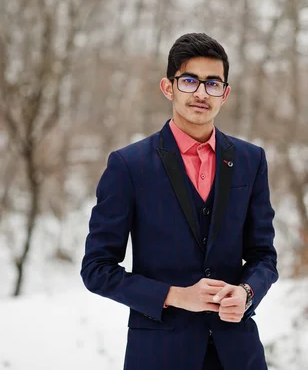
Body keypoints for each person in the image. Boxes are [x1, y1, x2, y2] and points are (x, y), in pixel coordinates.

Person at [80, 32, 278, 370]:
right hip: (159, 355)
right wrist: (176, 296)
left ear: (225, 93)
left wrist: (246, 292)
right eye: (189, 81)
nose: (201, 93)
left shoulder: (251, 160)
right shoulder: (129, 165)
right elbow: (97, 270)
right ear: (168, 87)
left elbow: (264, 257)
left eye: (213, 84)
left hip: (238, 355)